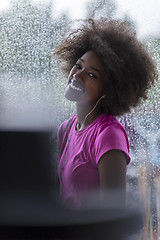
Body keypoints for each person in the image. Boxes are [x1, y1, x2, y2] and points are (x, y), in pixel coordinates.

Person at [54, 18, 157, 209]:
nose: (77, 75)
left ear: (109, 89)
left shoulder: (109, 135)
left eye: (92, 75)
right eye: (78, 65)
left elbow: (113, 216)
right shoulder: (66, 129)